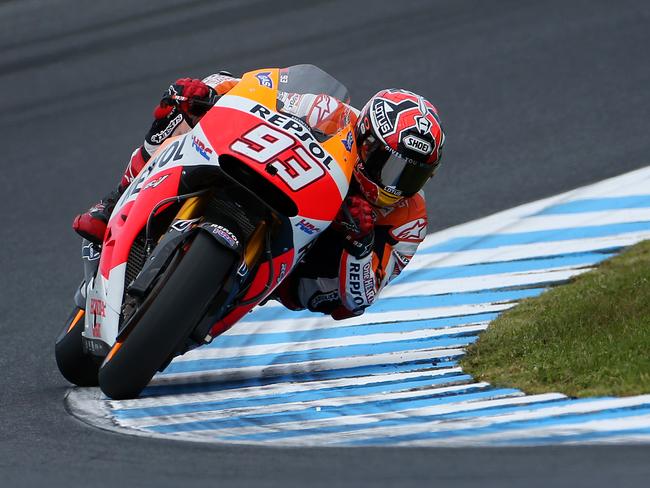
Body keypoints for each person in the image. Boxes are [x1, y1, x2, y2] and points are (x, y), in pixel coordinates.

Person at [73, 71, 445, 320]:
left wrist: (360, 244)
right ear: (364, 137)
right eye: (388, 165)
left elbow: (359, 300)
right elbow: (266, 93)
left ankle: (218, 295)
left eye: (411, 175)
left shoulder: (411, 219)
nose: (393, 185)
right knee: (183, 105)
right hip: (275, 172)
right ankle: (114, 200)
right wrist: (212, 92)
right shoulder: (330, 112)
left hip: (308, 259)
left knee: (324, 293)